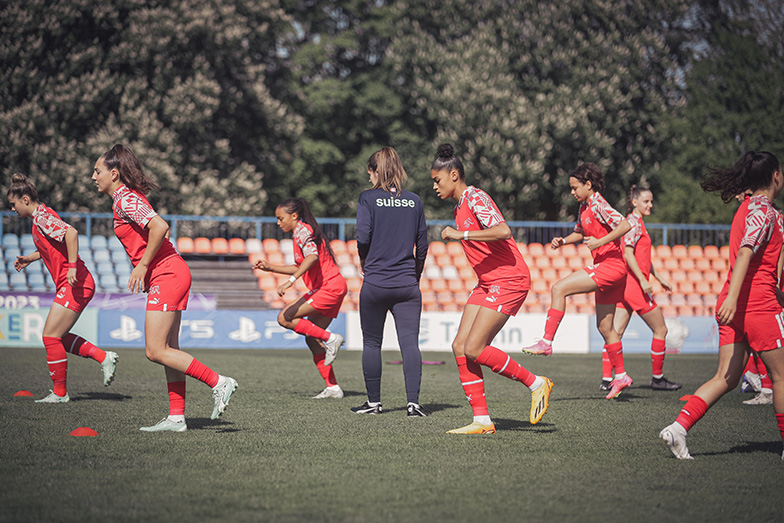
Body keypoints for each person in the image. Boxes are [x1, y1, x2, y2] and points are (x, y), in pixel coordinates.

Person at [92, 144, 237, 432]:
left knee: (155, 350)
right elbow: (160, 228)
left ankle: (219, 382)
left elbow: (160, 227)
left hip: (167, 273)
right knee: (169, 349)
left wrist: (144, 265)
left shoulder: (124, 199)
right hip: (170, 271)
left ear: (114, 173)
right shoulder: (126, 199)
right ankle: (176, 417)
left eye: (97, 171)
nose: (92, 176)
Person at [659, 151, 784, 461]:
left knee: (726, 378)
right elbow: (746, 252)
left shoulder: (747, 207)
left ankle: (678, 428)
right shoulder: (766, 213)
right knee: (781, 378)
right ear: (776, 176)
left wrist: (730, 298)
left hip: (736, 303)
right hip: (758, 304)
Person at [431, 143, 553, 434]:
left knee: (474, 347)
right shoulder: (460, 205)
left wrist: (462, 234)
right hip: (487, 282)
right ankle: (482, 421)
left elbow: (503, 231)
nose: (434, 187)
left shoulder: (475, 197)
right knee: (460, 346)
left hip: (509, 280)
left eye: (437, 180)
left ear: (454, 174)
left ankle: (537, 383)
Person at [521, 163, 633, 399]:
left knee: (559, 288)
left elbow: (625, 224)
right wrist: (564, 241)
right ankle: (621, 376)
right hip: (610, 269)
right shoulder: (585, 206)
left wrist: (601, 242)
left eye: (575, 187)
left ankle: (546, 342)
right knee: (605, 327)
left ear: (588, 185)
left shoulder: (599, 203)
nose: (572, 192)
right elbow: (581, 232)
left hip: (611, 266)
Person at [7, 173, 118, 403]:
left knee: (50, 337)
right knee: (59, 337)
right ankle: (103, 357)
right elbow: (51, 247)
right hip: (72, 283)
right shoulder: (38, 220)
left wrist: (71, 267)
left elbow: (71, 233)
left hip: (76, 283)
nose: (12, 209)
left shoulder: (43, 217)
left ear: (25, 200)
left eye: (13, 204)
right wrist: (30, 258)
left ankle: (60, 394)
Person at [351, 147, 428, 416]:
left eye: (369, 173)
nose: (369, 179)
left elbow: (363, 237)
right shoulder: (414, 200)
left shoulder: (367, 199)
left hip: (376, 283)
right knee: (410, 344)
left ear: (375, 171)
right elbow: (423, 244)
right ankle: (413, 404)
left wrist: (363, 261)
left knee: (372, 343)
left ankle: (373, 403)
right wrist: (414, 276)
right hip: (407, 285)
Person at [254, 197, 346, 399]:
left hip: (328, 288)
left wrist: (291, 281)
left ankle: (331, 339)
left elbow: (311, 258)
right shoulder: (301, 232)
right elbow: (301, 265)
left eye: (281, 218)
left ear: (294, 216)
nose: (278, 223)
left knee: (284, 318)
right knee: (312, 339)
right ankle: (333, 388)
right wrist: (270, 267)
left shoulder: (303, 231)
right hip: (333, 287)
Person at [609, 185, 681, 391]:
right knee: (661, 329)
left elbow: (643, 258)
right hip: (634, 287)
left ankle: (608, 380)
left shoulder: (636, 223)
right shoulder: (633, 223)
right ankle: (658, 379)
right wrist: (642, 280)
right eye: (646, 201)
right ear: (634, 203)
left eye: (651, 201)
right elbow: (629, 254)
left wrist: (659, 277)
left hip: (627, 286)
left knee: (616, 333)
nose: (650, 205)